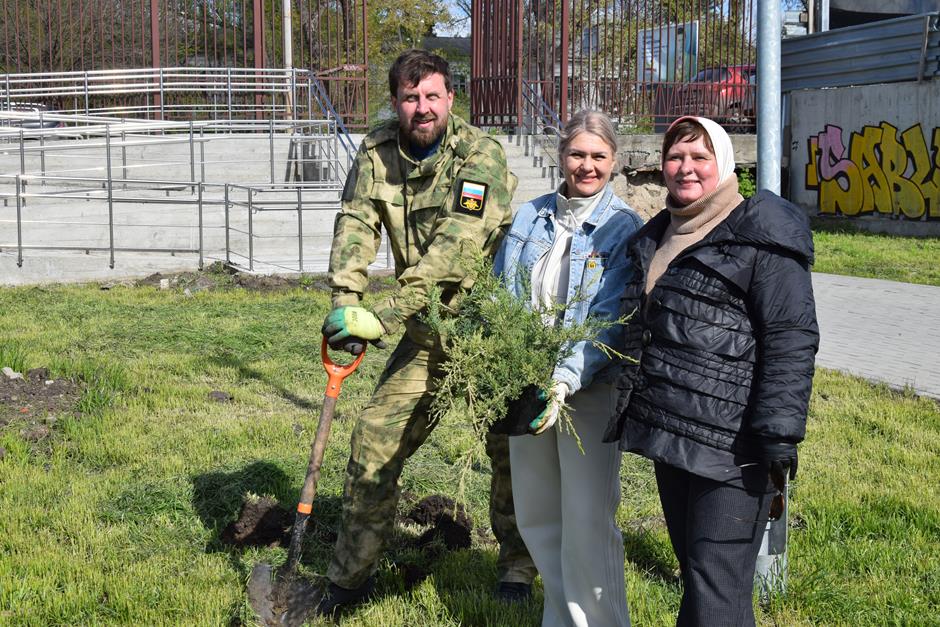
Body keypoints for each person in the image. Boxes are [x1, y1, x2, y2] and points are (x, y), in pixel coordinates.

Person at [316, 49, 536, 616]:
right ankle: (349, 581)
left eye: (433, 96)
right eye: (411, 97)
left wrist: (383, 317)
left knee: (510, 452)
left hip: (485, 331)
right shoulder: (376, 152)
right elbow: (356, 223)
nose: (423, 108)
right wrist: (346, 303)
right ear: (395, 102)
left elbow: (454, 248)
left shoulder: (480, 154)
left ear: (450, 99)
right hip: (424, 335)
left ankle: (517, 567)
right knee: (373, 441)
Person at [606, 116, 819, 626]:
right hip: (674, 433)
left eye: (700, 157)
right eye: (676, 156)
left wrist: (778, 433)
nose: (686, 168)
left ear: (723, 164)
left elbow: (791, 337)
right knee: (699, 577)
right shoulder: (659, 235)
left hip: (735, 445)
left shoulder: (761, 237)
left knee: (716, 585)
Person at [491, 109, 642, 626]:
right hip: (526, 380)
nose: (587, 166)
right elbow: (501, 292)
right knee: (538, 514)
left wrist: (563, 379)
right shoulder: (530, 216)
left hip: (586, 388)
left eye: (598, 156)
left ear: (614, 161)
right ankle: (560, 618)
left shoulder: (622, 227)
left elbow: (609, 320)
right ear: (561, 156)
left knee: (586, 520)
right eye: (577, 153)